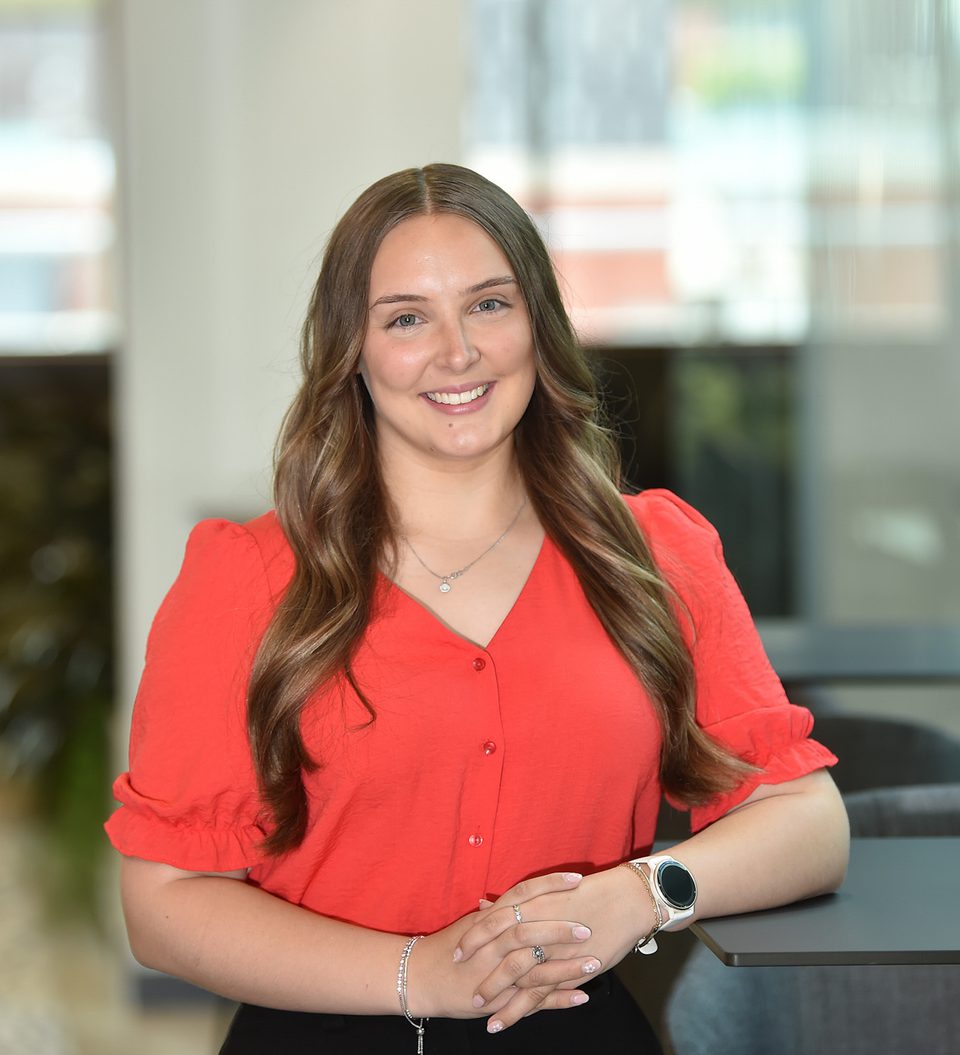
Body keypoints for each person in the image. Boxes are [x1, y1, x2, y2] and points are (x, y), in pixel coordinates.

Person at [105, 163, 849, 1054]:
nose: (456, 352)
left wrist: (645, 891)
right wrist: (420, 971)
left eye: (490, 305)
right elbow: (163, 903)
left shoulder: (653, 554)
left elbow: (810, 819)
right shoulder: (250, 580)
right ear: (353, 349)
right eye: (407, 318)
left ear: (539, 324)